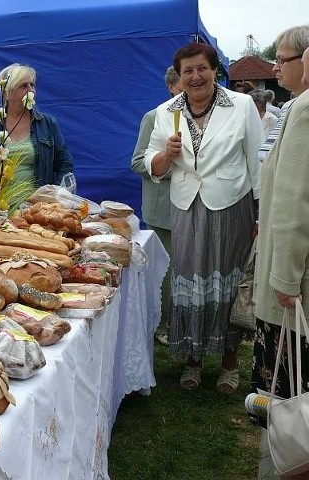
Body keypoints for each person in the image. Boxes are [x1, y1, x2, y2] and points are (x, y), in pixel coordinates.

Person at [144, 42, 261, 393]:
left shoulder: (241, 106)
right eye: (187, 71)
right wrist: (165, 154)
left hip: (231, 206)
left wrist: (259, 212)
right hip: (185, 207)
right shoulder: (167, 111)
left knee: (227, 281)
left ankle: (229, 363)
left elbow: (255, 161)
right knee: (190, 283)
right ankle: (192, 360)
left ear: (215, 70)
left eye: (201, 69)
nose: (195, 77)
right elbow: (152, 164)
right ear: (178, 77)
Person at [251, 42, 309, 480]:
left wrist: (285, 277)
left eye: (286, 59)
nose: (278, 66)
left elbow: (294, 203)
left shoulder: (304, 111)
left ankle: (287, 464)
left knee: (292, 394)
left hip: (294, 283)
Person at [130, 65, 182, 345]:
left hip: (198, 209)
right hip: (164, 212)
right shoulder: (154, 117)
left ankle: (185, 324)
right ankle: (161, 325)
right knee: (165, 273)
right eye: (183, 83)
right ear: (172, 86)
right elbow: (137, 161)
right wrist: (169, 162)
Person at [0, 63, 74, 188]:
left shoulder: (48, 124)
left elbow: (65, 165)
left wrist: (53, 195)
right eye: (23, 86)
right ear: (7, 93)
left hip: (37, 206)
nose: (31, 90)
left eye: (32, 85)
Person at [258, 26, 309, 162]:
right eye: (276, 61)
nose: (275, 68)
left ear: (305, 59)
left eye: (281, 61)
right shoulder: (289, 106)